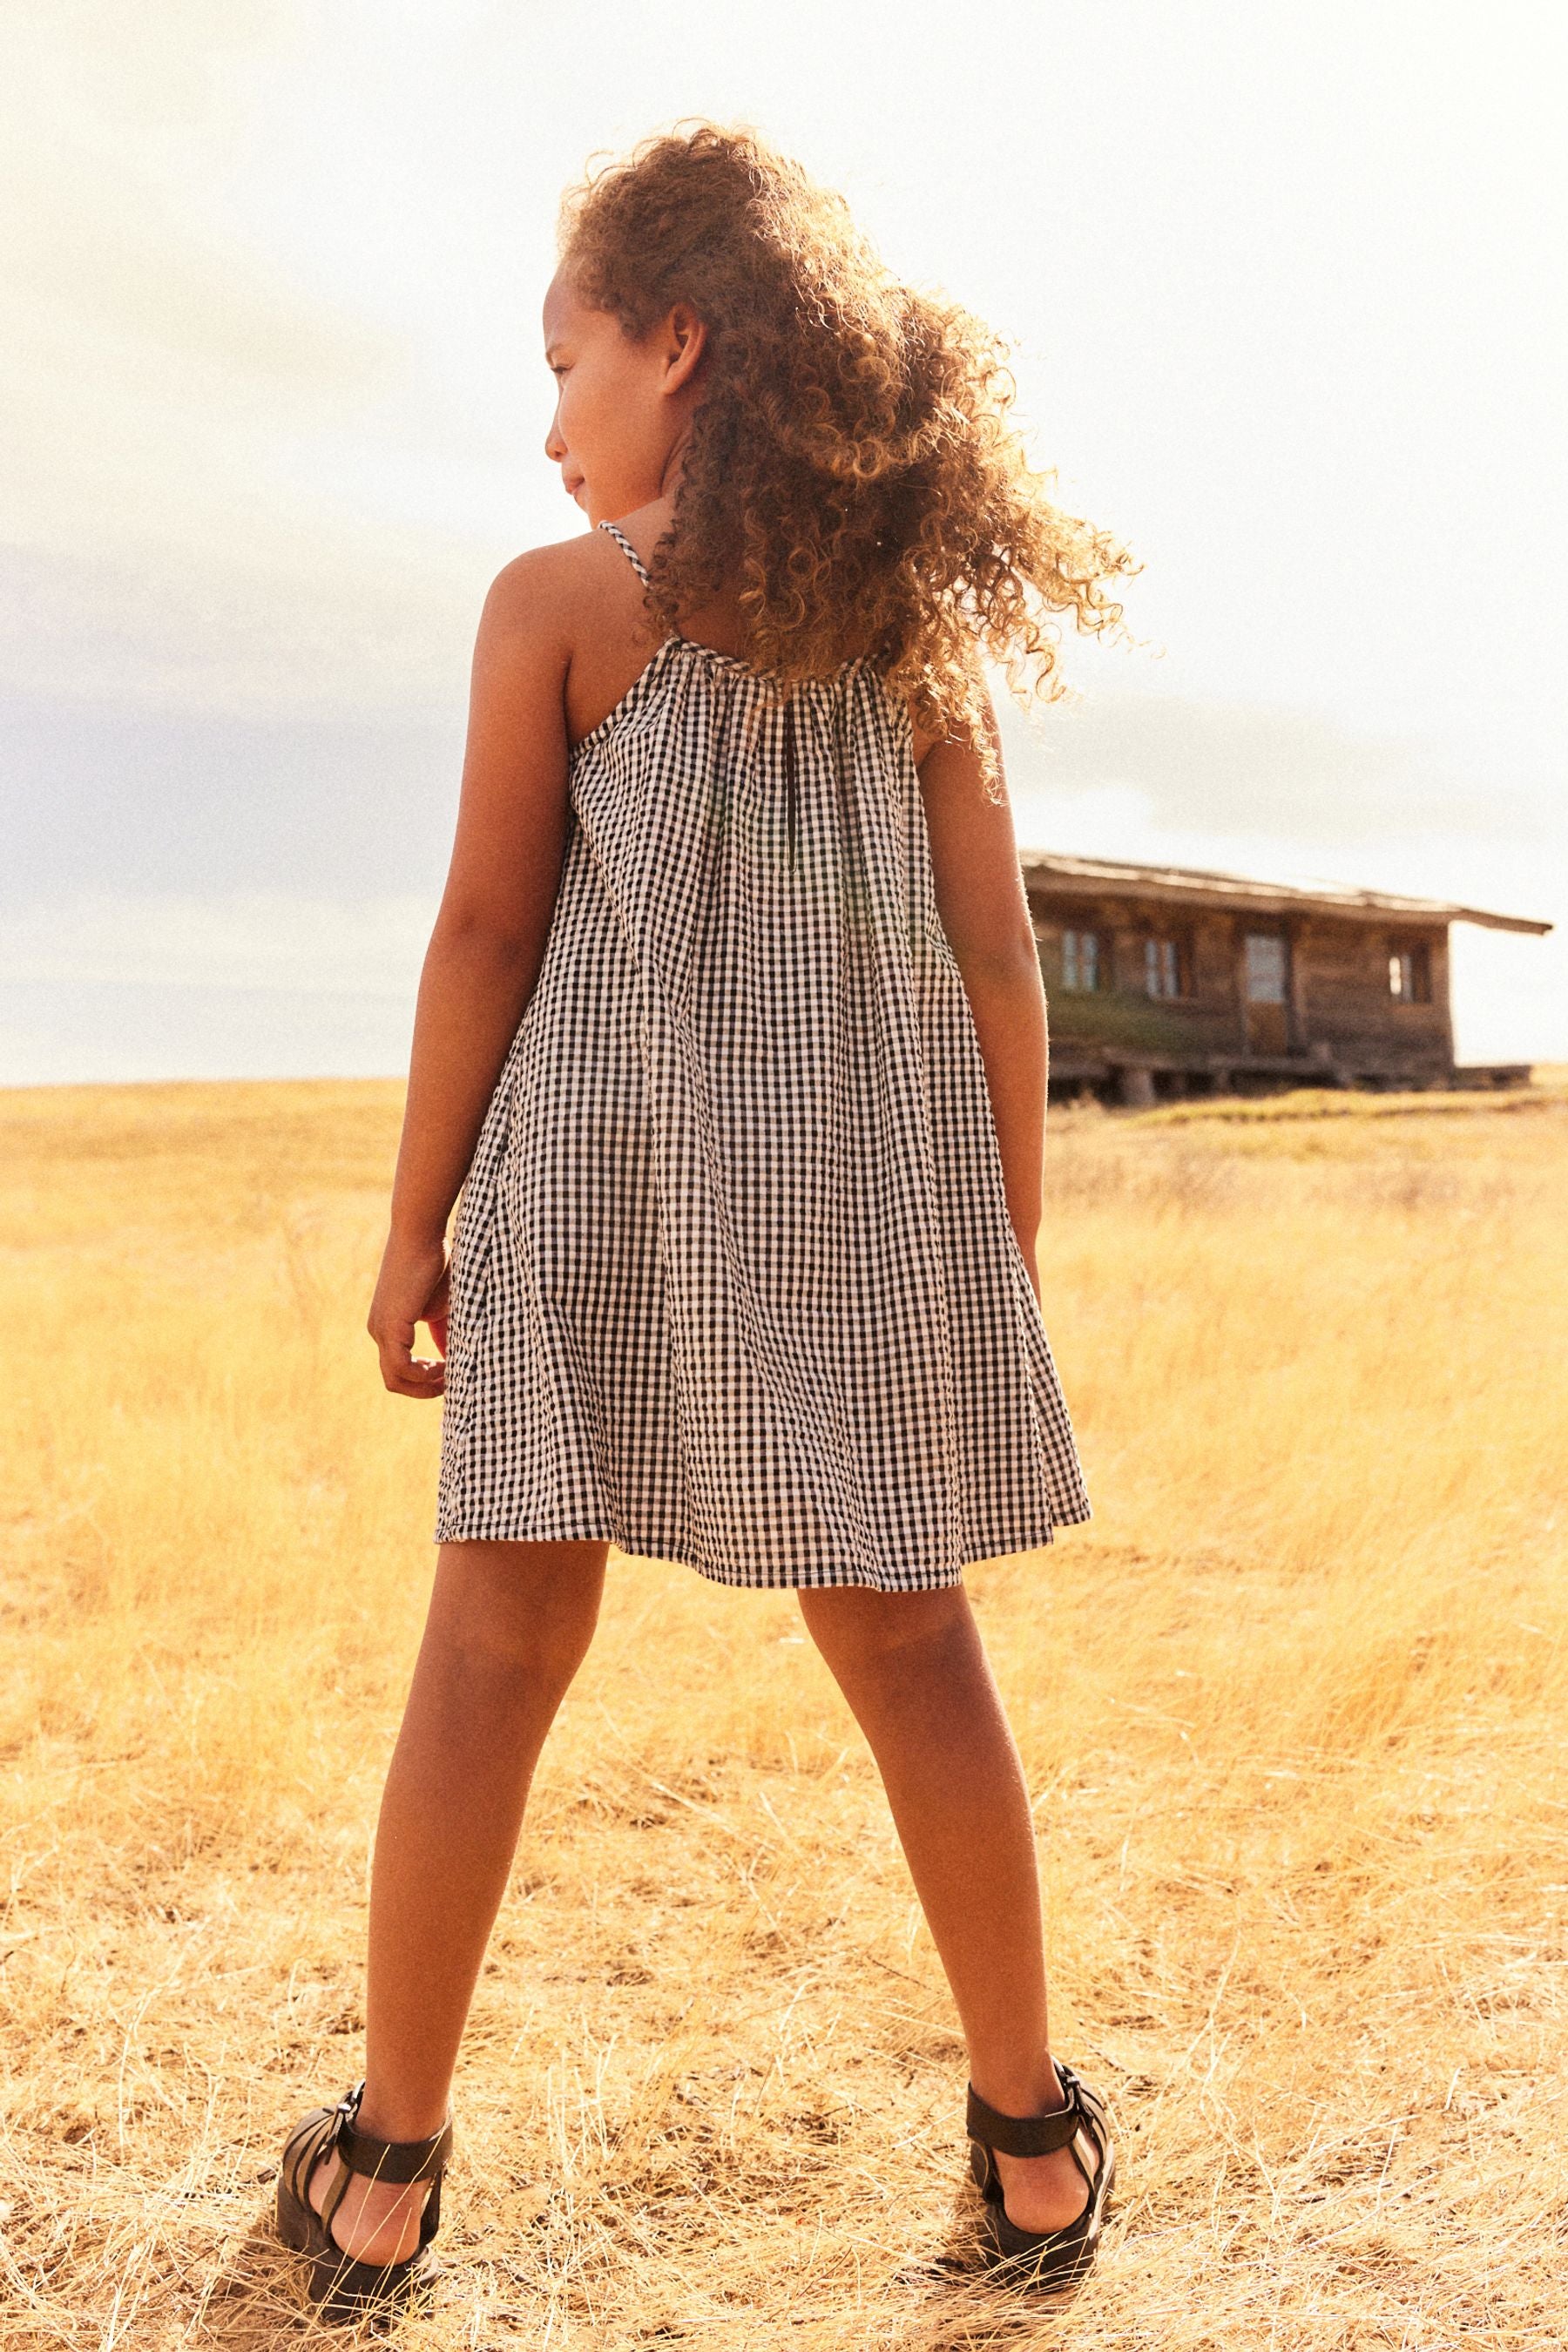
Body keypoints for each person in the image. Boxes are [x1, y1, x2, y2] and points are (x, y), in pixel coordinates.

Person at [274, 121, 1134, 2325]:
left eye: (560, 364)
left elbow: (484, 929)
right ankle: (1033, 2154)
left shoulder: (562, 608)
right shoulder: (920, 639)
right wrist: (996, 1261)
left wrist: (415, 1225)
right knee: (915, 1651)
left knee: (489, 1658)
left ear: (678, 347)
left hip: (581, 1206)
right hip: (856, 1232)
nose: (543, 420)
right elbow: (998, 968)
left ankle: (384, 2176)